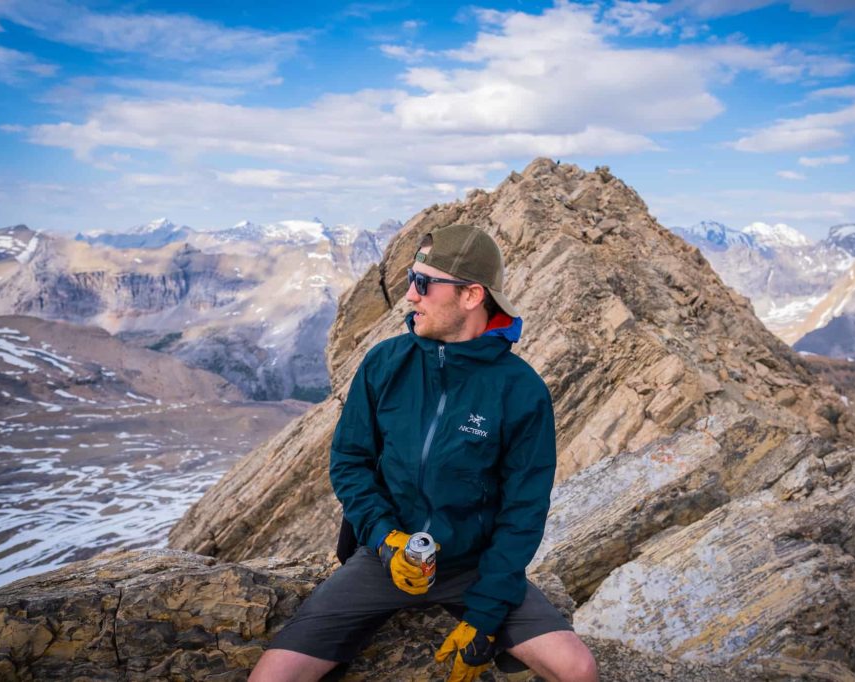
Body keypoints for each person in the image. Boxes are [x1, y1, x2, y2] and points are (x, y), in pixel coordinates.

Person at [250, 224, 598, 682]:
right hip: (384, 558)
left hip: (473, 566)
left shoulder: (520, 390)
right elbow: (350, 462)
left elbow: (523, 510)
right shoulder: (385, 363)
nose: (410, 295)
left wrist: (485, 616)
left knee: (577, 669)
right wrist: (385, 539)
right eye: (411, 280)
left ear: (471, 295)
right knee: (271, 677)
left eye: (423, 283)